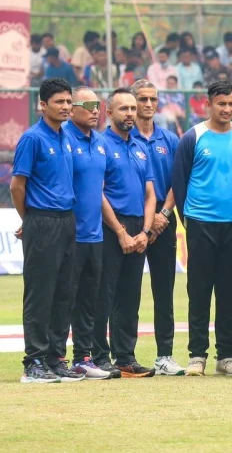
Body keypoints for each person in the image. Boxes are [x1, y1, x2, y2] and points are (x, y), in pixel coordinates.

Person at [171, 80, 232, 376]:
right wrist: (187, 219)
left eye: (231, 104)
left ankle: (225, 355)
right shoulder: (194, 137)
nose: (226, 109)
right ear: (209, 104)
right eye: (221, 104)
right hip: (200, 223)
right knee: (199, 290)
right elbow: (179, 181)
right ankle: (197, 355)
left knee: (229, 292)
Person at [12, 79, 80, 383]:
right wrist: (30, 220)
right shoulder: (32, 138)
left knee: (63, 294)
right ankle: (34, 362)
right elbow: (17, 186)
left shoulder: (65, 136)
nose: (66, 107)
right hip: (42, 220)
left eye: (68, 102)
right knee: (40, 294)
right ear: (43, 105)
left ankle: (55, 358)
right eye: (59, 102)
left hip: (67, 220)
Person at [91, 88, 157, 377]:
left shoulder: (141, 147)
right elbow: (98, 193)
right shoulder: (100, 145)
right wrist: (119, 231)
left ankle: (125, 357)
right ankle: (98, 356)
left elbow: (150, 193)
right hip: (109, 227)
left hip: (138, 228)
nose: (130, 113)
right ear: (109, 112)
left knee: (130, 297)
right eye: (124, 108)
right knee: (103, 295)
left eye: (133, 108)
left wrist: (145, 231)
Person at [52, 88, 110, 379]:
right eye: (88, 105)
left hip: (95, 235)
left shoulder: (100, 143)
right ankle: (56, 358)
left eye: (98, 105)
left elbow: (101, 190)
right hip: (68, 234)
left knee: (89, 299)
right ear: (72, 109)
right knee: (65, 298)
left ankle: (83, 358)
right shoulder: (63, 140)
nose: (95, 110)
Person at [130, 80, 185, 376]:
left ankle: (164, 355)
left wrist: (164, 213)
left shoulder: (169, 139)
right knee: (127, 291)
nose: (148, 104)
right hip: (133, 221)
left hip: (164, 221)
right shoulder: (124, 138)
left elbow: (178, 180)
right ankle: (124, 355)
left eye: (153, 98)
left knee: (164, 291)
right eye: (142, 99)